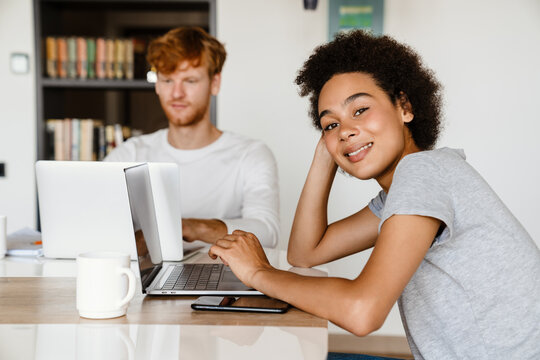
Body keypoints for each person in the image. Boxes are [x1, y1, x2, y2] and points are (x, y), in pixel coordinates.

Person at [208, 30, 540, 359]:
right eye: (330, 124)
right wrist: (327, 153)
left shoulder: (424, 173)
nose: (346, 129)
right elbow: (305, 253)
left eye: (360, 110)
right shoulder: (404, 192)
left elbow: (362, 312)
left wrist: (258, 273)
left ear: (404, 107)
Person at [105, 27, 279, 248]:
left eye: (190, 81)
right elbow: (96, 221)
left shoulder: (251, 155)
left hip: (225, 279)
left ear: (215, 83)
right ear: (157, 85)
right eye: (168, 80)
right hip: (144, 280)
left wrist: (190, 228)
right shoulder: (129, 154)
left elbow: (268, 233)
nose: (177, 93)